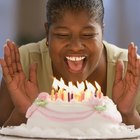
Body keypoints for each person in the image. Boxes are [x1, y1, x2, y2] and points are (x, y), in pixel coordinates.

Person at [0, 0, 140, 128]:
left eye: (87, 35)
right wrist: (22, 113)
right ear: (47, 32)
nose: (75, 46)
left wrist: (128, 114)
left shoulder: (130, 71)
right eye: (62, 35)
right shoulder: (23, 63)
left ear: (102, 32)